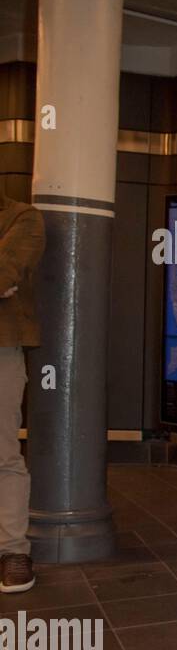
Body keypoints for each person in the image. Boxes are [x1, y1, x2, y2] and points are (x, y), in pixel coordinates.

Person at [0, 195, 45, 594]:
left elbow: (4, 272)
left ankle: (13, 551)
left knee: (2, 454)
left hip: (2, 347)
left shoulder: (23, 218)